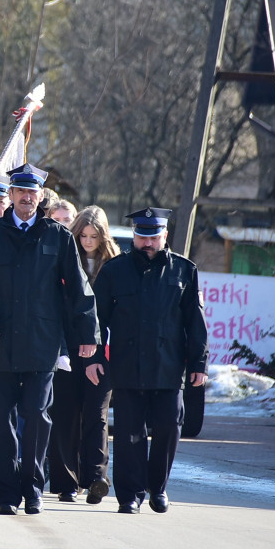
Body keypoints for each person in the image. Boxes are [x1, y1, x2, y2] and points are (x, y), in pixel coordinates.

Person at [0, 163, 99, 515]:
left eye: (32, 193)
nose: (26, 198)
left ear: (40, 197)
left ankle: (33, 486)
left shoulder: (57, 235)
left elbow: (79, 291)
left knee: (38, 416)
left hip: (42, 343)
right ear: (10, 195)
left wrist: (87, 334)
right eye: (20, 192)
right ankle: (6, 492)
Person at [90, 207, 208, 514]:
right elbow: (96, 319)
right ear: (134, 235)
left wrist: (199, 364)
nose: (147, 243)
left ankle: (158, 488)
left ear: (164, 236)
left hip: (168, 366)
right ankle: (129, 495)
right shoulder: (115, 271)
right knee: (130, 432)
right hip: (127, 365)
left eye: (154, 237)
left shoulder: (184, 270)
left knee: (169, 426)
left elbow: (196, 321)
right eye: (142, 237)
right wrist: (93, 356)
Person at [48, 205, 122, 504]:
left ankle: (96, 478)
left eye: (94, 236)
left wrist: (99, 355)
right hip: (66, 349)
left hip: (101, 352)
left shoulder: (115, 266)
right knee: (65, 416)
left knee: (96, 415)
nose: (87, 242)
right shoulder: (65, 260)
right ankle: (66, 482)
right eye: (82, 235)